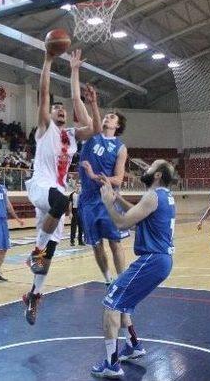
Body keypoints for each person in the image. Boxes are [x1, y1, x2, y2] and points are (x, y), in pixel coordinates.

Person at [22, 49, 99, 325]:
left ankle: (34, 294)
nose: (61, 110)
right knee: (62, 202)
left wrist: (76, 72)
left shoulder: (71, 135)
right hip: (42, 187)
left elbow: (94, 129)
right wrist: (48, 60)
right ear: (49, 113)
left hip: (56, 189)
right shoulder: (44, 129)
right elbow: (44, 93)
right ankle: (35, 252)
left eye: (63, 109)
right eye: (57, 108)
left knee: (49, 254)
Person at [91, 160, 177, 378]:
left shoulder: (153, 196)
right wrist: (118, 197)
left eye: (151, 167)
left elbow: (122, 223)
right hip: (161, 260)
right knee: (123, 304)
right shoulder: (165, 196)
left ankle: (111, 364)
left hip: (152, 260)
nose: (145, 168)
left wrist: (108, 202)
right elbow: (142, 214)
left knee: (111, 303)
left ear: (157, 175)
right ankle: (133, 345)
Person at [78, 103, 129, 285]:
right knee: (96, 244)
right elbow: (79, 106)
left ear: (118, 126)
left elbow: (118, 179)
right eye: (106, 116)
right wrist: (92, 102)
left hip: (108, 199)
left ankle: (122, 282)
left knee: (115, 243)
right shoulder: (92, 135)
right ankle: (108, 280)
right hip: (87, 200)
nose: (107, 118)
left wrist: (95, 176)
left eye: (112, 117)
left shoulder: (120, 148)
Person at [68, 182, 83, 246]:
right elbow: (70, 204)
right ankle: (72, 241)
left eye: (79, 186)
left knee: (81, 227)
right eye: (77, 186)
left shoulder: (82, 194)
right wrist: (70, 213)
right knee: (73, 227)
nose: (78, 187)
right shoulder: (72, 194)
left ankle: (80, 241)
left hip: (81, 211)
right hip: (75, 211)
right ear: (75, 187)